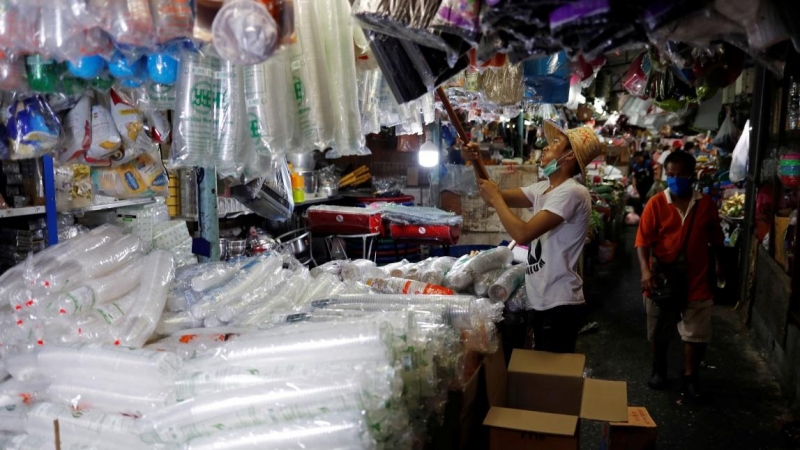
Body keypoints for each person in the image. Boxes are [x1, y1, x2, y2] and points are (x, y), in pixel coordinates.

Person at [461, 120, 602, 353]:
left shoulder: (572, 192)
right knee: (542, 376)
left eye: (556, 143)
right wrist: (476, 160)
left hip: (560, 303)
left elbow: (523, 233)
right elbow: (492, 195)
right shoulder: (543, 189)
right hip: (541, 300)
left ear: (568, 157)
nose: (546, 147)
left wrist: (496, 198)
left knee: (550, 380)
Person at [635, 151, 725, 400]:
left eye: (679, 175)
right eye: (670, 175)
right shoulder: (655, 203)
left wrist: (720, 265)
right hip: (662, 278)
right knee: (658, 329)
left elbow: (717, 239)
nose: (673, 180)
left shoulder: (705, 205)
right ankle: (659, 369)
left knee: (696, 333)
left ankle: (690, 376)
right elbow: (642, 241)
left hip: (697, 277)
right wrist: (645, 270)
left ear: (691, 175)